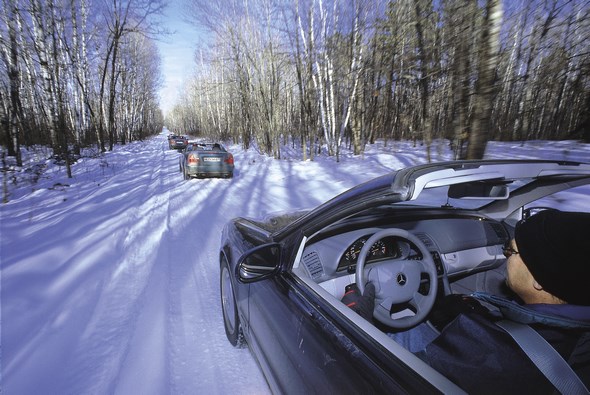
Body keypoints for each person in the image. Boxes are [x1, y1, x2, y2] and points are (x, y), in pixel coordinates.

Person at [345, 209, 590, 394]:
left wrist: (353, 324)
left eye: (512, 251)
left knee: (399, 333)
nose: (507, 256)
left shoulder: (496, 356)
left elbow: (379, 379)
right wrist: (480, 319)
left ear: (539, 278)